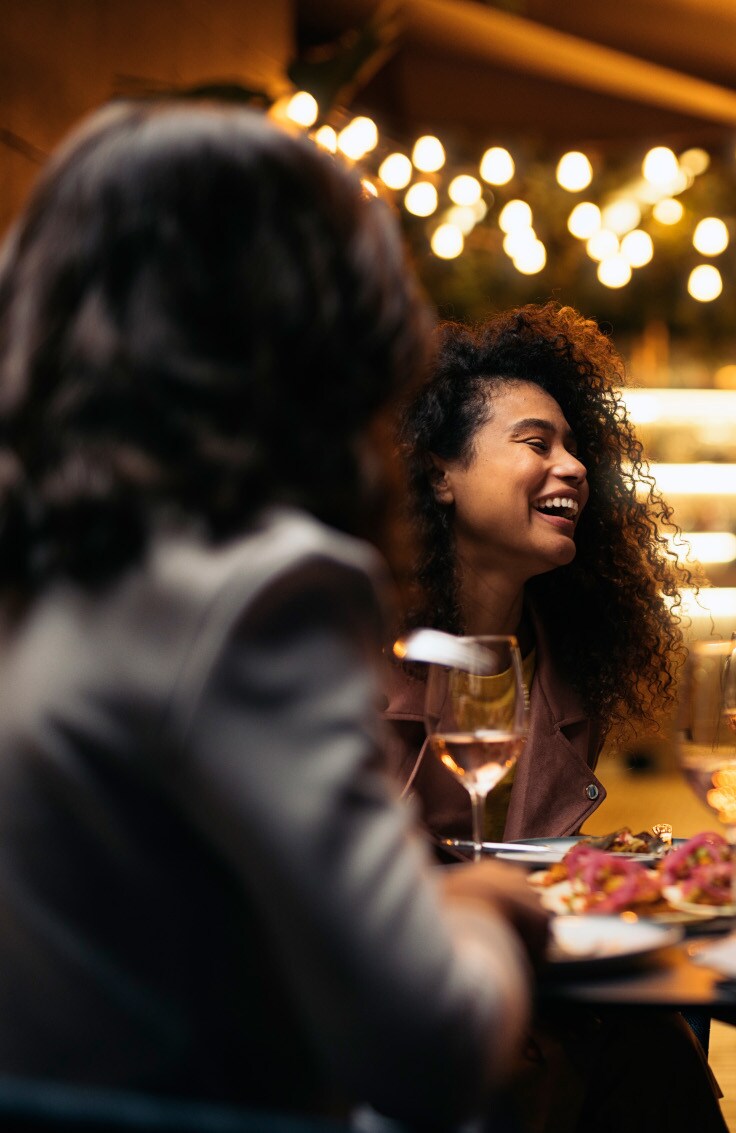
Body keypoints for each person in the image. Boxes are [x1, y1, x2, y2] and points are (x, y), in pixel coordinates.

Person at [0, 102, 545, 1125]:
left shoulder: (39, 574)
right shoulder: (258, 593)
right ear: (322, 326)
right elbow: (428, 1046)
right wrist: (481, 920)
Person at [386, 303, 688, 843]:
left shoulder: (569, 667)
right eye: (536, 443)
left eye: (573, 447)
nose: (574, 467)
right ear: (439, 475)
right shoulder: (357, 656)